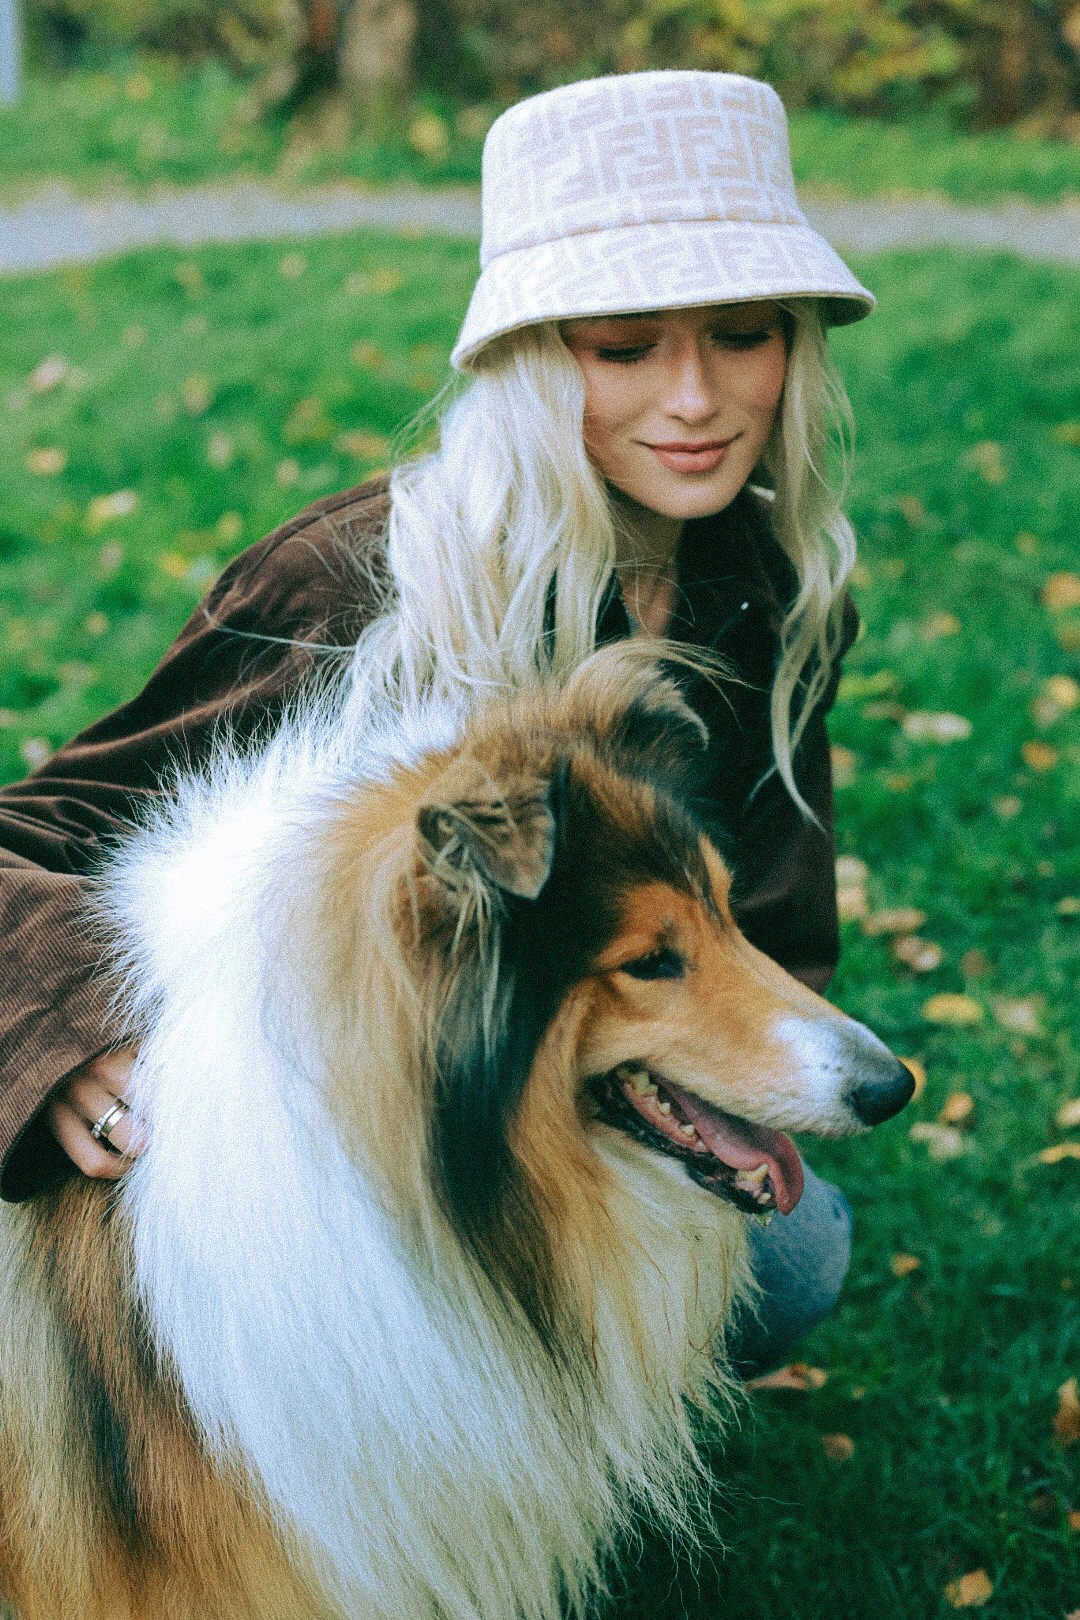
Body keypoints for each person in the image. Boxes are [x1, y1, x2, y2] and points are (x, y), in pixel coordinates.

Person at [0, 69, 873, 1374]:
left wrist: (715, 1081)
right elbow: (34, 830)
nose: (694, 399)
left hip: (554, 1095)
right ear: (528, 359)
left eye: (742, 334)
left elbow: (776, 933)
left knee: (789, 1258)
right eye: (624, 346)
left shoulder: (771, 591)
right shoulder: (353, 581)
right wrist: (62, 1026)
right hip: (299, 1131)